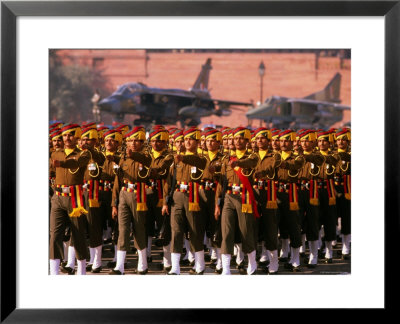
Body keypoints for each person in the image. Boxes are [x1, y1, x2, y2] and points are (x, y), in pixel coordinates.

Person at [161, 127, 207, 275]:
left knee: (195, 230)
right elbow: (168, 182)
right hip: (177, 197)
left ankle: (199, 264)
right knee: (176, 231)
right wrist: (164, 202)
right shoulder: (176, 160)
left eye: (191, 139)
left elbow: (198, 163)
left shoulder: (201, 158)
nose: (187, 142)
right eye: (185, 139)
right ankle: (175, 267)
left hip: (193, 197)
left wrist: (183, 157)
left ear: (198, 142)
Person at [215, 127, 259, 275]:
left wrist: (238, 163)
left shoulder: (253, 156)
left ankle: (252, 262)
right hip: (228, 197)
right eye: (235, 138)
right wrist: (217, 203)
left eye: (241, 138)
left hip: (244, 198)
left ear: (247, 141)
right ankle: (226, 268)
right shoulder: (226, 158)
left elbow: (250, 163)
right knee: (226, 232)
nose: (237, 141)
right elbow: (221, 183)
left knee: (246, 231)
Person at [129, 127, 174, 272]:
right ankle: (145, 257)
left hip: (161, 194)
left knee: (164, 227)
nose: (156, 144)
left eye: (159, 141)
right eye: (153, 141)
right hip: (145, 193)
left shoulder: (169, 156)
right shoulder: (146, 154)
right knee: (144, 225)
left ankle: (167, 261)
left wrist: (147, 171)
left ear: (165, 142)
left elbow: (162, 171)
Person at [49, 124, 91, 275]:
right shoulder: (56, 154)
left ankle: (81, 271)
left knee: (78, 234)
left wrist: (62, 164)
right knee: (55, 234)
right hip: (58, 198)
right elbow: (51, 172)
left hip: (76, 199)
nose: (67, 138)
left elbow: (77, 163)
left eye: (71, 135)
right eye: (65, 135)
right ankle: (53, 272)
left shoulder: (84, 154)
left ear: (77, 137)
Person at [109, 126, 151, 275]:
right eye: (130, 141)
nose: (133, 143)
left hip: (139, 195)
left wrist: (134, 155)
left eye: (137, 141)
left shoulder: (146, 158)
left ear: (142, 143)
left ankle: (143, 263)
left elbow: (146, 163)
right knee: (123, 229)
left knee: (139, 229)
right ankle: (119, 265)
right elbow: (117, 182)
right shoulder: (123, 160)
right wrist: (114, 204)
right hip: (124, 194)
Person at [252, 127, 281, 274]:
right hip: (255, 194)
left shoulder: (275, 155)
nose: (259, 141)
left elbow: (271, 168)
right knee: (255, 227)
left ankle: (274, 261)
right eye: (257, 139)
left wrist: (260, 173)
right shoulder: (252, 156)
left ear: (269, 141)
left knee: (270, 228)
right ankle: (255, 261)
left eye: (263, 138)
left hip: (269, 194)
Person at [276, 129, 305, 272]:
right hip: (275, 194)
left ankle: (295, 259)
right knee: (279, 225)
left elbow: (296, 166)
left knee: (294, 226)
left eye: (286, 141)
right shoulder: (274, 157)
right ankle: (282, 253)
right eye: (281, 140)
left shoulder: (298, 157)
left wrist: (285, 165)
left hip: (291, 194)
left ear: (292, 142)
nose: (283, 143)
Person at [80, 126, 106, 273]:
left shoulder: (98, 154)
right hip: (77, 193)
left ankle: (97, 261)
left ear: (95, 141)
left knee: (94, 227)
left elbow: (100, 159)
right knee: (78, 227)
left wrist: (90, 149)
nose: (85, 142)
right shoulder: (78, 154)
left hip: (93, 193)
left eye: (88, 140)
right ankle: (83, 259)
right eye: (83, 139)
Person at [297, 129, 324, 268]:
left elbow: (320, 162)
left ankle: (313, 254)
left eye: (307, 140)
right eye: (302, 141)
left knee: (313, 223)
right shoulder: (296, 156)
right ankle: (296, 254)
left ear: (313, 142)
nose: (305, 143)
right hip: (298, 191)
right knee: (298, 222)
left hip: (313, 192)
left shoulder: (318, 156)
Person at [199, 128, 224, 274]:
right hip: (201, 192)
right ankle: (200, 262)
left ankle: (220, 260)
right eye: (207, 140)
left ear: (218, 142)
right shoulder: (201, 156)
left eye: (212, 140)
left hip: (216, 192)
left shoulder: (223, 157)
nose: (209, 143)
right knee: (200, 226)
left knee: (216, 227)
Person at [99, 129, 122, 268]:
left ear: (118, 143)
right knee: (99, 225)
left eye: (112, 140)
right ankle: (97, 258)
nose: (109, 143)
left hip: (116, 193)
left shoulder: (121, 157)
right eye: (107, 140)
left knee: (116, 227)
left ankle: (117, 258)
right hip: (102, 193)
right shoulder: (100, 157)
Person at [316, 130, 340, 263]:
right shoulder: (313, 156)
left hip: (329, 190)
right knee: (316, 220)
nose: (322, 143)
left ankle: (329, 250)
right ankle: (318, 245)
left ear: (329, 143)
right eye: (319, 141)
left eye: (324, 141)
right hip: (315, 191)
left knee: (329, 220)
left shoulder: (334, 156)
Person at [333, 128, 351, 259]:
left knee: (346, 218)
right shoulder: (331, 155)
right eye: (338, 139)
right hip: (333, 190)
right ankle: (330, 240)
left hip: (347, 190)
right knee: (331, 217)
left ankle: (346, 247)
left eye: (343, 140)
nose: (340, 142)